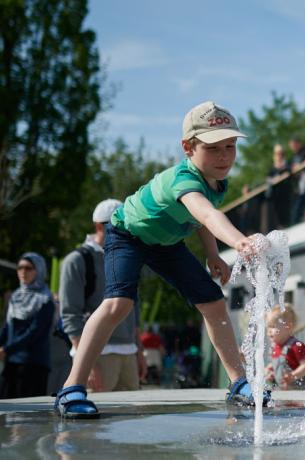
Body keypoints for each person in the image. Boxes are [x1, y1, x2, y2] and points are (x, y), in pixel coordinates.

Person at [54, 101, 268, 419]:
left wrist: (212, 255)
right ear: (188, 147)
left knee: (213, 301)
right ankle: (71, 388)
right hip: (127, 234)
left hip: (165, 243)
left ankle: (239, 384)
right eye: (213, 148)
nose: (224, 156)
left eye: (230, 146)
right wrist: (238, 241)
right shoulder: (181, 179)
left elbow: (200, 219)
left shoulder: (218, 181)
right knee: (119, 304)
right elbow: (207, 213)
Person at [59, 199, 147, 393]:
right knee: (93, 421)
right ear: (99, 226)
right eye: (119, 225)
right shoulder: (77, 260)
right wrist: (86, 365)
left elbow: (134, 308)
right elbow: (69, 314)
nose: (127, 231)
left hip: (129, 353)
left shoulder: (127, 258)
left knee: (133, 419)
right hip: (98, 355)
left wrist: (139, 350)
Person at [0, 252, 55, 398]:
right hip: (12, 363)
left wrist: (6, 349)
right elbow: (7, 326)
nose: (23, 272)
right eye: (20, 268)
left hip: (34, 365)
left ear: (39, 270)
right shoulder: (15, 297)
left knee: (30, 418)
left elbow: (34, 331)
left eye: (28, 268)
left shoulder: (45, 300)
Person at [264, 305, 305, 389]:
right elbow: (276, 365)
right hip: (284, 389)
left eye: (273, 326)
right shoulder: (274, 348)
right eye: (268, 327)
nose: (269, 330)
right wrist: (270, 371)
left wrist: (292, 376)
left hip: (300, 389)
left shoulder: (297, 346)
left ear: (288, 327)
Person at [266, 144, 292, 228]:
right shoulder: (272, 167)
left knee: (285, 210)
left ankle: (285, 225)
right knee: (276, 212)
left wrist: (280, 177)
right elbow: (268, 178)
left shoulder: (287, 164)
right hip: (275, 193)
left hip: (285, 192)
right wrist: (273, 180)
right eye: (277, 153)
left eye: (280, 153)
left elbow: (289, 173)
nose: (279, 155)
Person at [289, 137, 305, 223]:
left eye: (294, 145)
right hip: (298, 182)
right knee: (299, 200)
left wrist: (298, 166)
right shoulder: (294, 156)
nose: (293, 147)